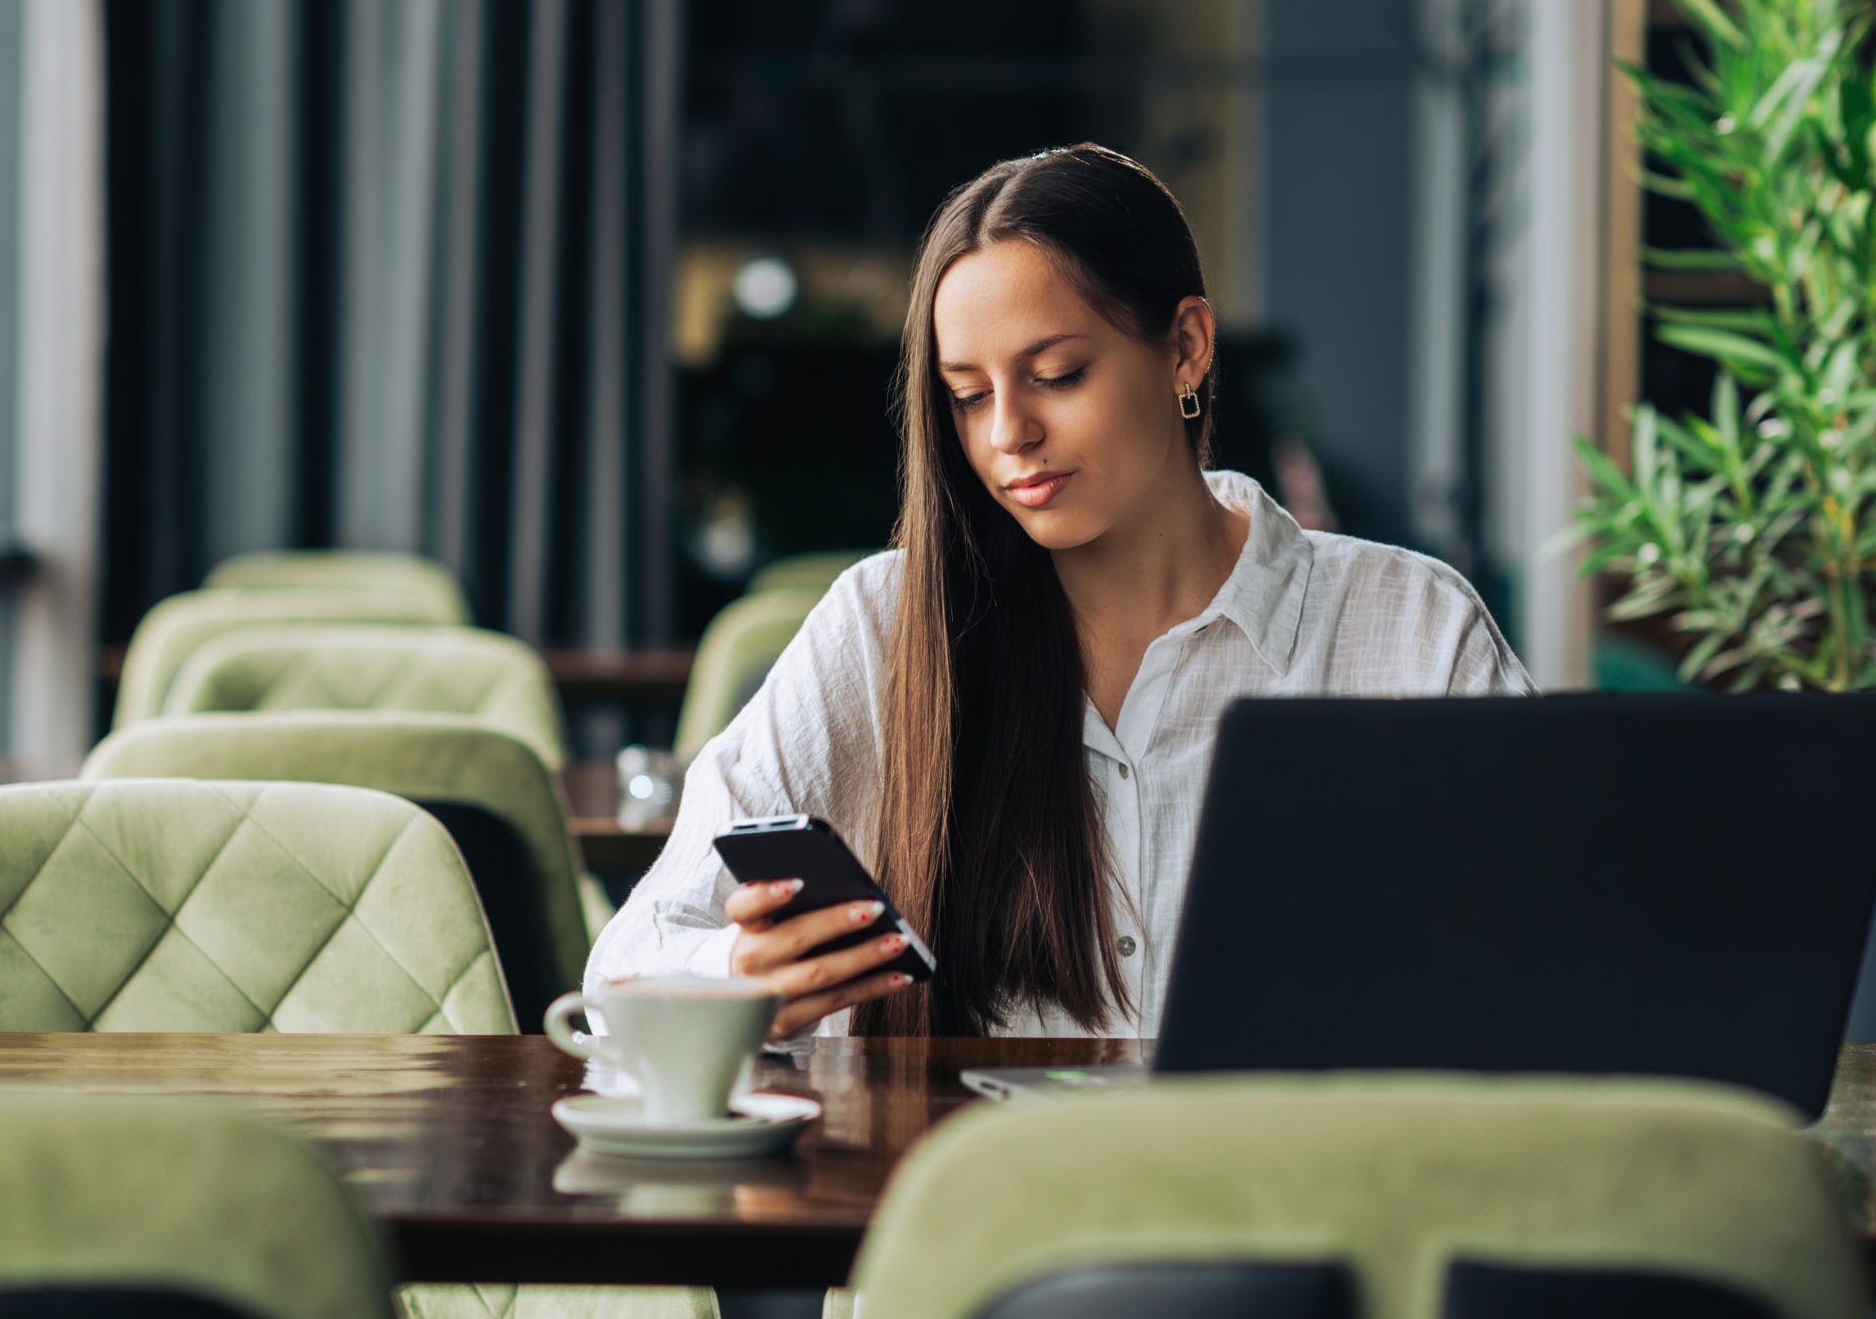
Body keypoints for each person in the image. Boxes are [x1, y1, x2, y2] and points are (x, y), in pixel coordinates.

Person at [590, 144, 1530, 1038]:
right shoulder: (884, 628)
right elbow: (622, 976)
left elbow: (1556, 954)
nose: (1008, 434)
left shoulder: (1413, 629)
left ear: (1187, 347)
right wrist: (738, 982)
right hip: (981, 1201)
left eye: (1056, 375)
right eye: (967, 393)